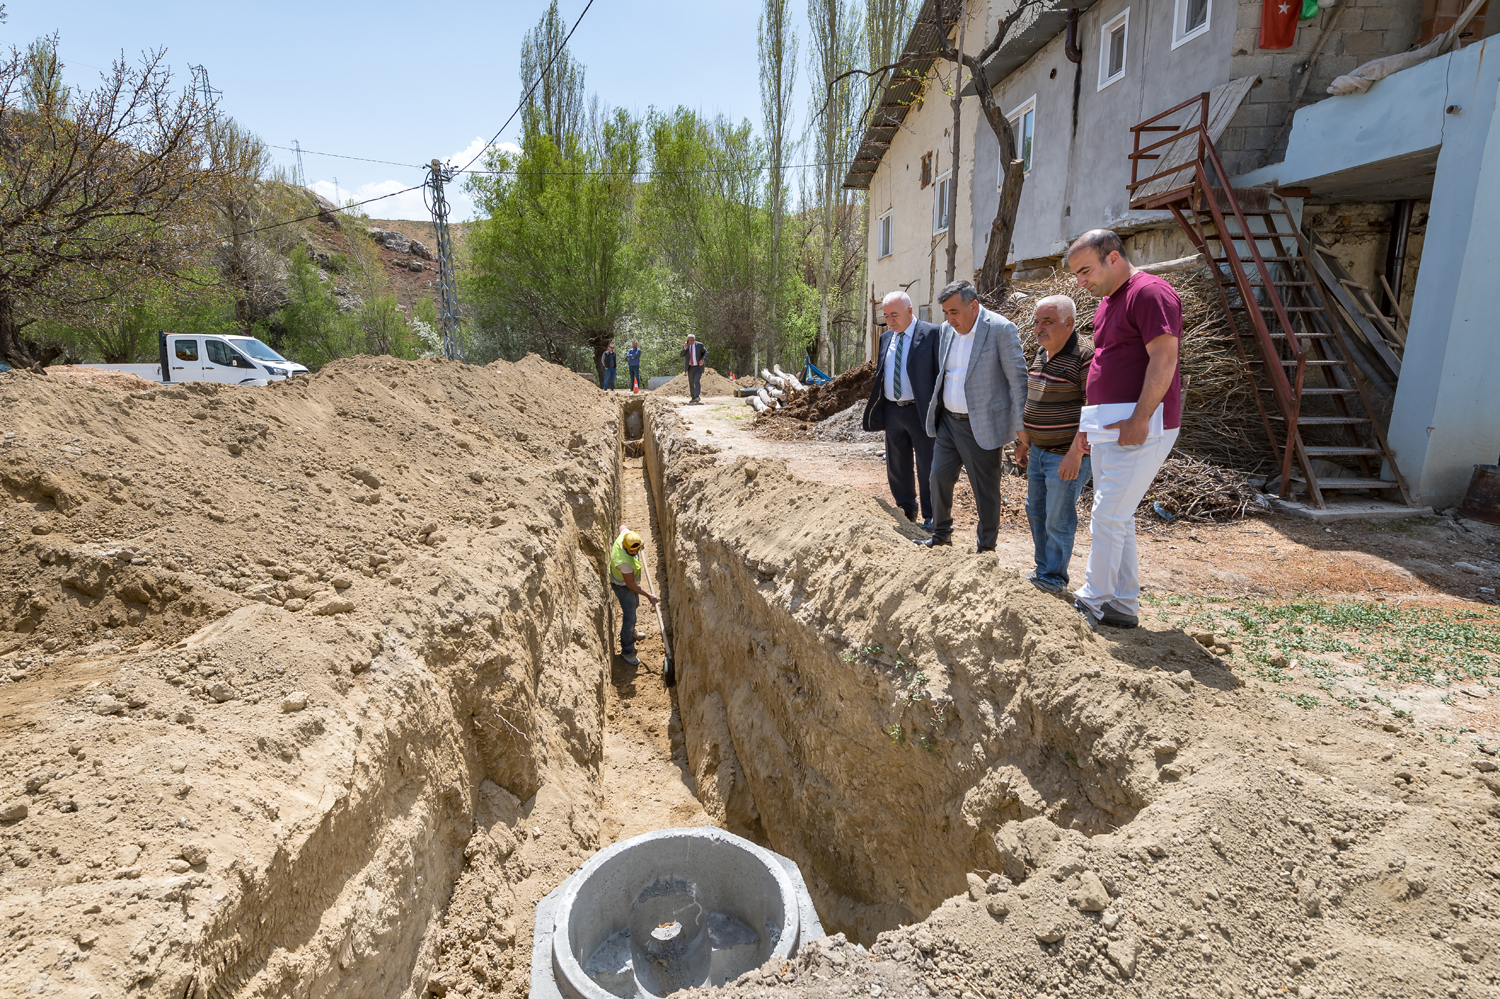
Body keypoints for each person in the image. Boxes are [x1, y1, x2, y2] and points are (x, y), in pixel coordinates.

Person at [1065, 228, 1183, 629]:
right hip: (1107, 425)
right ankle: (1122, 603)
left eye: (1085, 271)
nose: (1080, 282)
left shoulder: (1150, 293)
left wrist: (1139, 418)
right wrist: (1088, 427)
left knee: (1107, 514)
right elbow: (1104, 367)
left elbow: (1164, 358)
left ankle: (1092, 599)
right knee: (1120, 513)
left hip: (1140, 425)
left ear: (1112, 258)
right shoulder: (1108, 302)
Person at [917, 280, 1028, 553]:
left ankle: (986, 548)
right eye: (945, 312)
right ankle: (941, 535)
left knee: (985, 490)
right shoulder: (946, 331)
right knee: (938, 478)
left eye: (954, 311)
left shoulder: (1001, 329)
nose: (949, 318)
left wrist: (1021, 429)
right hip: (948, 423)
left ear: (974, 306)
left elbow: (1018, 381)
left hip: (982, 425)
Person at [1017, 295, 1094, 593]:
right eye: (1037, 322)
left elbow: (1093, 405)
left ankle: (1054, 578)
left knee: (1058, 516)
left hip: (1066, 453)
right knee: (1035, 510)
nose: (1039, 327)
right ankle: (1042, 571)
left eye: (1047, 321)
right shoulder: (1042, 352)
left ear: (1069, 323)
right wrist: (1026, 441)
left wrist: (1076, 452)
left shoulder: (1084, 354)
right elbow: (1035, 398)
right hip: (1038, 451)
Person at [862, 290, 941, 530]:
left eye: (894, 314)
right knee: (897, 465)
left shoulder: (931, 334)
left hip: (920, 411)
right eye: (886, 316)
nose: (890, 320)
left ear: (910, 311)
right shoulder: (886, 338)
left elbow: (939, 375)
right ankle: (906, 509)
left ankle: (931, 516)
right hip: (893, 411)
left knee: (927, 464)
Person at [609, 526, 658, 666]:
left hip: (628, 584)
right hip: (622, 586)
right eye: (632, 551)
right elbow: (631, 585)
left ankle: (630, 632)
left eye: (637, 549)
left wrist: (639, 541)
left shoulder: (626, 535)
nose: (635, 552)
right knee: (630, 617)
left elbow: (622, 527)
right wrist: (649, 595)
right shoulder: (624, 563)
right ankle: (627, 650)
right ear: (624, 545)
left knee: (634, 605)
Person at [682, 334, 707, 404]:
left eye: (691, 340)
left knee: (696, 381)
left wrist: (702, 359)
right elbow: (681, 355)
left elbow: (705, 352)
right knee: (691, 382)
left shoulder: (699, 345)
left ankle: (697, 396)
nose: (690, 342)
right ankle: (693, 397)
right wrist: (685, 348)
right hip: (690, 367)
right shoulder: (686, 346)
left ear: (694, 340)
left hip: (698, 367)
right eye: (689, 340)